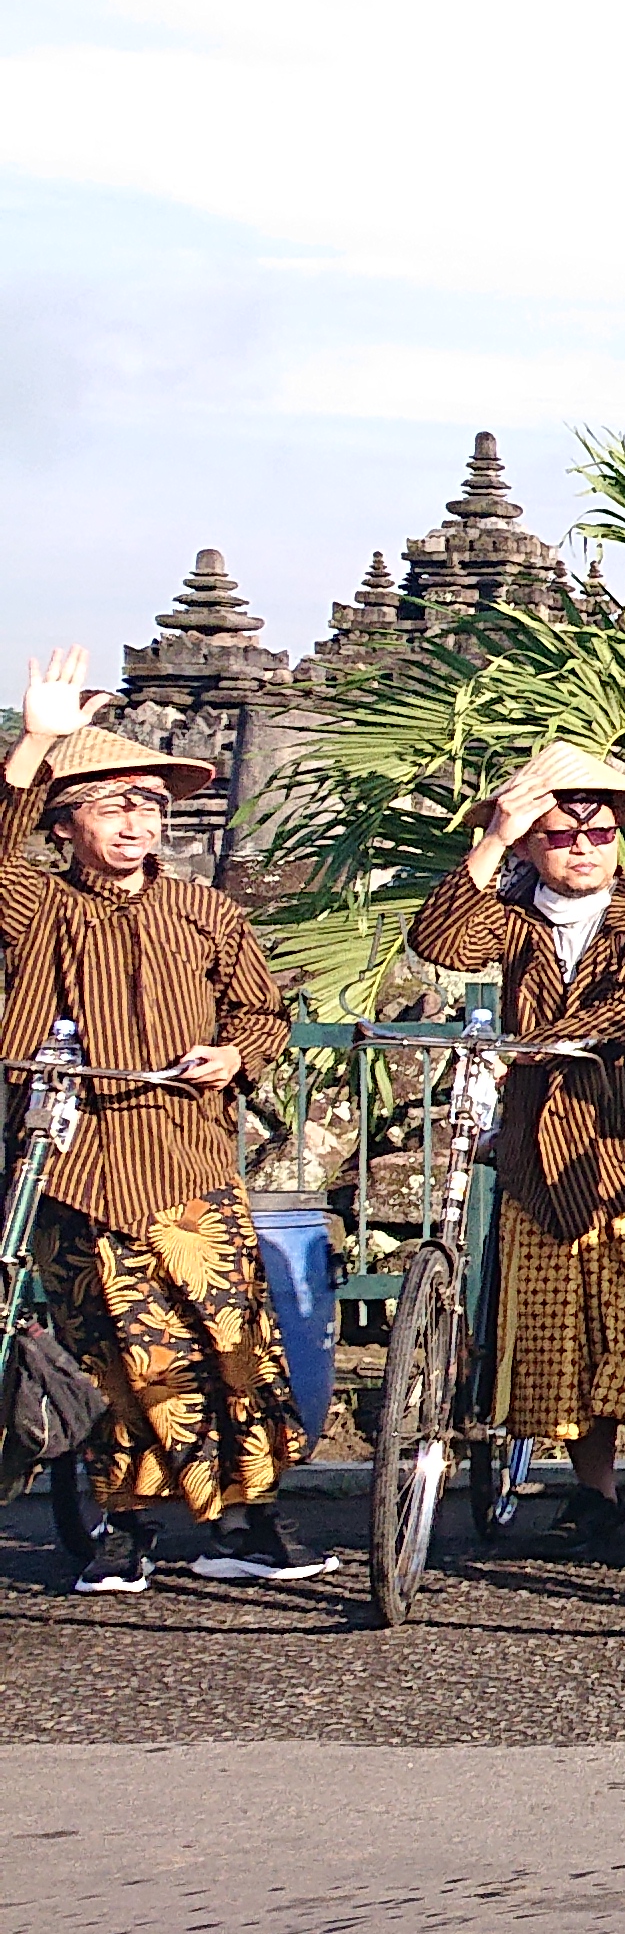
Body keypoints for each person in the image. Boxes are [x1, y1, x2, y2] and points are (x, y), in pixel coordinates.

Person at [4, 651, 313, 1592]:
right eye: (110, 807)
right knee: (115, 1351)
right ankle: (127, 1525)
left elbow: (261, 1014)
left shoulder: (202, 910)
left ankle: (249, 1524)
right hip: (69, 1160)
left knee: (231, 1341)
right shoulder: (35, 906)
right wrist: (37, 743)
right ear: (65, 826)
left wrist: (233, 1056)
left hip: (184, 1154)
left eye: (147, 807)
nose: (135, 825)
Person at [400, 744, 625, 1569]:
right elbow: (439, 939)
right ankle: (595, 1494)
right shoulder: (513, 911)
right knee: (553, 1338)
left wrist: (537, 1044)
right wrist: (494, 838)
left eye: (600, 834)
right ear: (535, 844)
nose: (583, 847)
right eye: (561, 835)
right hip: (541, 1151)